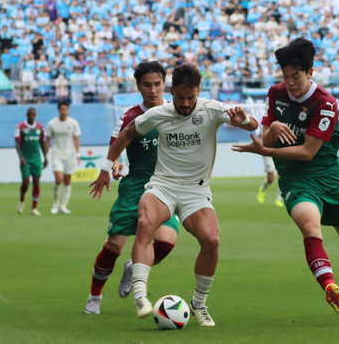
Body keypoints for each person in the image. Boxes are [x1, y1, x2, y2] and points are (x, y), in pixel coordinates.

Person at [89, 63, 258, 326]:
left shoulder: (211, 109)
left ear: (199, 91)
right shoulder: (156, 114)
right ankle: (136, 296)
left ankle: (199, 305)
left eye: (192, 97)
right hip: (159, 186)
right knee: (136, 231)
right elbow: (126, 134)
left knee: (209, 241)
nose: (187, 103)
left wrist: (244, 120)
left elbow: (252, 124)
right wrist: (107, 166)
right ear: (172, 92)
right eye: (181, 97)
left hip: (196, 189)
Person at [232, 38, 339, 316]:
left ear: (310, 73)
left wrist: (264, 150)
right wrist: (273, 129)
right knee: (309, 227)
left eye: (296, 76)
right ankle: (330, 287)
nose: (290, 83)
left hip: (330, 177)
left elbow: (307, 152)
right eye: (285, 76)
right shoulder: (276, 93)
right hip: (295, 178)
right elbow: (267, 135)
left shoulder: (326, 103)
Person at [84, 61, 180, 315]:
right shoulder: (130, 117)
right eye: (147, 85)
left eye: (157, 84)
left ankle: (133, 266)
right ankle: (95, 296)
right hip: (136, 187)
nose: (153, 90)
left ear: (164, 85)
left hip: (168, 188)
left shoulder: (177, 111)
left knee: (166, 243)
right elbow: (116, 146)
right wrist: (111, 165)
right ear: (138, 86)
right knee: (114, 245)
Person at [45, 101, 81, 214]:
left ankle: (63, 206)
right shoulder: (52, 123)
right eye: (62, 109)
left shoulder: (73, 123)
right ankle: (56, 203)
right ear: (58, 110)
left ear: (68, 110)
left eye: (66, 109)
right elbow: (47, 140)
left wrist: (78, 154)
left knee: (67, 181)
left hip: (69, 155)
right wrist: (46, 155)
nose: (64, 111)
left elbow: (76, 139)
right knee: (58, 179)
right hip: (57, 155)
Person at [15, 108, 48, 215]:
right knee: (26, 182)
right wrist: (21, 158)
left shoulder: (40, 127)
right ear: (26, 115)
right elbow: (17, 144)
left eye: (33, 114)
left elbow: (42, 143)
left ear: (36, 115)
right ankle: (22, 200)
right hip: (25, 159)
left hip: (36, 159)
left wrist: (45, 157)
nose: (31, 116)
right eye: (30, 114)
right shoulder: (20, 127)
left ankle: (34, 208)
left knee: (36, 182)